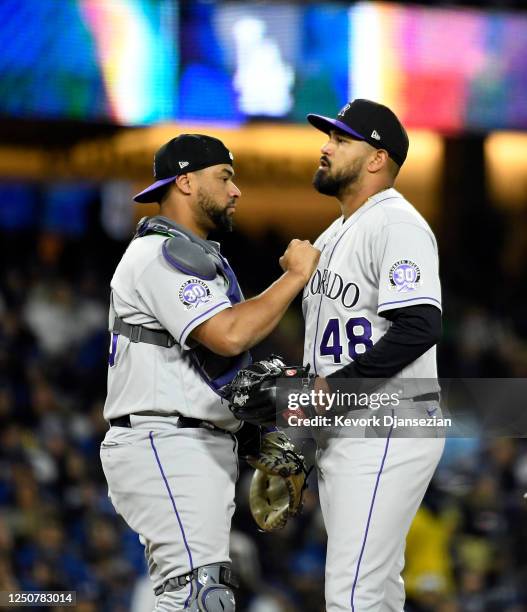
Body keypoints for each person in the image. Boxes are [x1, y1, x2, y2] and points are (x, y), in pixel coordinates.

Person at [99, 133, 320, 611]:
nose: (235, 190)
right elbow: (229, 335)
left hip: (188, 445)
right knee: (199, 597)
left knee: (189, 596)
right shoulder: (158, 255)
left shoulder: (189, 257)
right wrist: (295, 277)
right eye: (224, 177)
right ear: (184, 181)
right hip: (165, 442)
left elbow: (215, 363)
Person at [303, 99, 445, 611]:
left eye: (341, 140)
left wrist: (335, 389)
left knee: (353, 593)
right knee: (376, 592)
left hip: (388, 423)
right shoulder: (334, 233)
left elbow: (422, 324)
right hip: (352, 428)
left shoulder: (396, 224)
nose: (326, 147)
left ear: (376, 159)